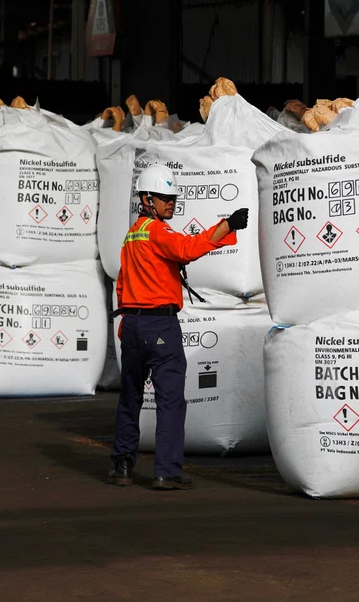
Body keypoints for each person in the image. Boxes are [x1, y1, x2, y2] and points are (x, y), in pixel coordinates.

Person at [109, 162, 249, 490]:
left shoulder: (133, 235)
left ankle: (122, 466)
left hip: (131, 325)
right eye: (162, 197)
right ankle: (166, 472)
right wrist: (227, 225)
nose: (169, 202)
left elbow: (122, 283)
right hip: (159, 324)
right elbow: (187, 249)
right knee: (170, 399)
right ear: (146, 199)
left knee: (129, 396)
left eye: (172, 197)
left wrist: (124, 326)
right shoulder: (158, 231)